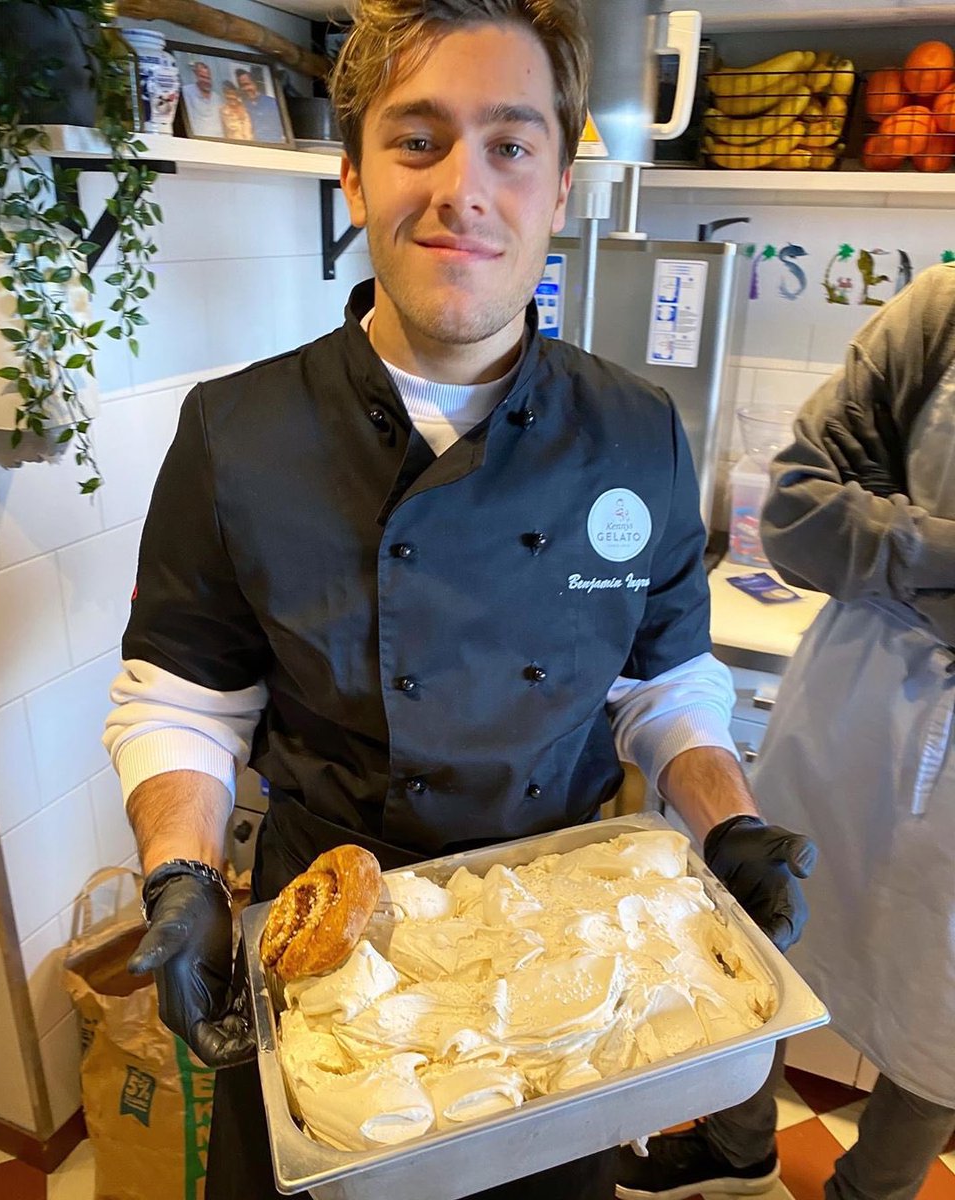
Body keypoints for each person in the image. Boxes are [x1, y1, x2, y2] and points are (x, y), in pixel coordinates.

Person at [103, 3, 816, 1198]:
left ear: (561, 186)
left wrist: (728, 822)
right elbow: (183, 700)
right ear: (353, 174)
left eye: (510, 145)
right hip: (325, 948)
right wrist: (179, 876)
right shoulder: (236, 434)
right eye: (418, 140)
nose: (463, 190)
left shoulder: (635, 429)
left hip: (565, 949)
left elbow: (664, 681)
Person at [616, 263, 955, 1200]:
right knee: (764, 927)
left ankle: (869, 1192)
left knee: (945, 1006)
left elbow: (844, 525)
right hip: (856, 697)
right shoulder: (938, 311)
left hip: (882, 633)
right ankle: (736, 1150)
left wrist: (890, 540)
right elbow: (800, 517)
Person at [234, 67, 285, 142]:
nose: (245, 89)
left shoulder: (272, 103)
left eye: (247, 84)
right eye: (242, 86)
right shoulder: (242, 107)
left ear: (255, 83)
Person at [182, 60, 224, 138]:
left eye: (208, 78)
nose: (206, 81)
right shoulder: (186, 92)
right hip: (197, 140)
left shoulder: (217, 98)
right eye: (202, 77)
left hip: (218, 141)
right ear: (196, 76)